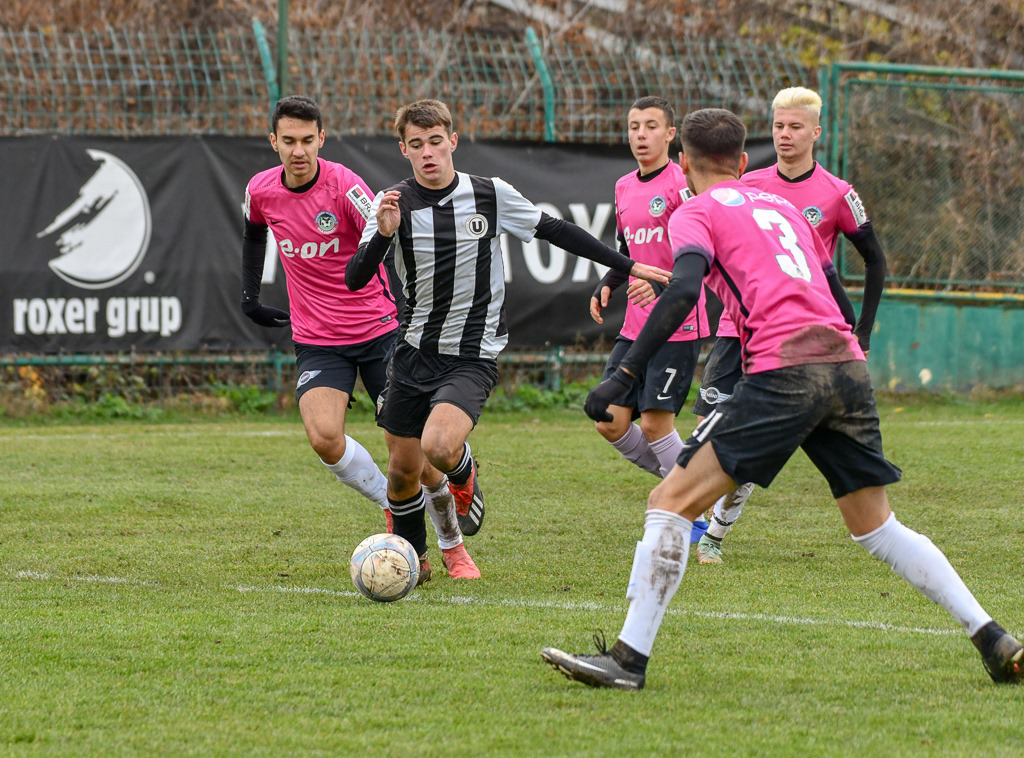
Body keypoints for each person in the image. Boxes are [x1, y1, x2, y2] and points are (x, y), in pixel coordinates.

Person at [541, 107, 1021, 690]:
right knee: (877, 528)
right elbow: (834, 290)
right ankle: (993, 638)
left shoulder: (693, 209)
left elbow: (685, 288)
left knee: (669, 502)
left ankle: (628, 661)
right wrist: (851, 346)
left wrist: (623, 375)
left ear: (685, 165)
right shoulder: (786, 208)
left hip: (784, 370)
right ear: (744, 163)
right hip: (845, 366)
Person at [346, 99, 670, 578]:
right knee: (400, 470)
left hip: (472, 355)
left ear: (452, 141)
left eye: (436, 142)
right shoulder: (391, 204)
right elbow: (355, 278)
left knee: (438, 445)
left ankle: (463, 472)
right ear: (404, 150)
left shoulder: (488, 194)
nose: (428, 153)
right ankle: (414, 562)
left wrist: (627, 265)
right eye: (417, 145)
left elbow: (554, 230)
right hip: (411, 353)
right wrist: (381, 235)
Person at [240, 95, 479, 582]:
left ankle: (454, 548)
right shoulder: (261, 190)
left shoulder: (345, 186)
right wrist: (249, 297)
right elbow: (252, 232)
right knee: (324, 438)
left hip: (380, 334)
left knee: (411, 461)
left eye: (308, 140)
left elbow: (383, 238)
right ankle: (395, 510)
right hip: (317, 339)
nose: (298, 150)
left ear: (321, 140)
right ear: (274, 142)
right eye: (288, 141)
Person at [694, 86, 888, 565]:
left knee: (756, 441)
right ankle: (689, 521)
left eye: (795, 126)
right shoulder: (749, 183)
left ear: (815, 132)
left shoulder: (838, 194)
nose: (784, 134)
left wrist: (861, 328)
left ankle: (714, 535)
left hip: (801, 343)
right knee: (707, 430)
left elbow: (875, 261)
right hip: (735, 333)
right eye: (779, 125)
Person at [589, 97, 711, 541]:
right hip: (634, 325)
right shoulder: (623, 186)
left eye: (651, 127)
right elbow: (626, 251)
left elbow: (700, 254)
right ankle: (692, 488)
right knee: (607, 418)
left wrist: (661, 287)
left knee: (656, 424)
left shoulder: (683, 185)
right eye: (634, 127)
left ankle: (687, 504)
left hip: (678, 323)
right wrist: (609, 281)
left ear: (670, 134)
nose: (641, 135)